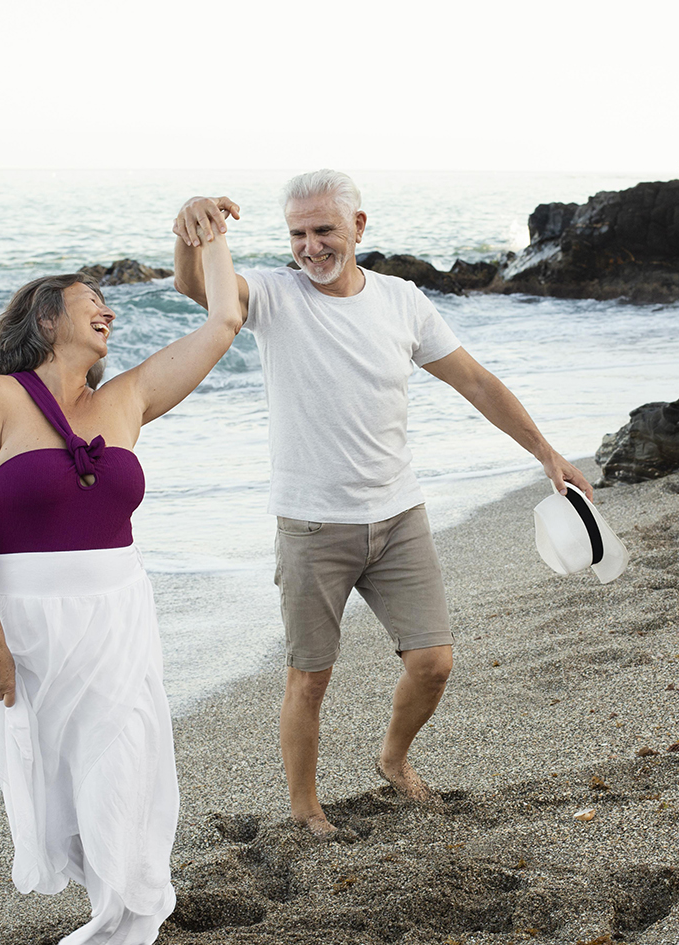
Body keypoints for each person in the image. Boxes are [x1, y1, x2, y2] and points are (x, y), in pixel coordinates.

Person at [171, 169, 592, 836]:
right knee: (309, 678)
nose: (310, 247)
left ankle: (393, 760)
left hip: (398, 516)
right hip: (312, 525)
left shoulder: (402, 301)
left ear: (358, 228)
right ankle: (307, 810)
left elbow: (475, 381)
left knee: (433, 663)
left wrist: (544, 451)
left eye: (324, 231)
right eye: (298, 235)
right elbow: (200, 289)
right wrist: (194, 230)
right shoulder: (274, 295)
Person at [0, 225, 243, 943]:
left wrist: (207, 234)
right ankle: (110, 908)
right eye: (90, 301)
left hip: (117, 618)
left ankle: (121, 922)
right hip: (26, 624)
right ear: (47, 318)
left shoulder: (128, 398)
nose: (108, 311)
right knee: (55, 800)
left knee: (122, 768)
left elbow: (224, 319)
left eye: (109, 303)